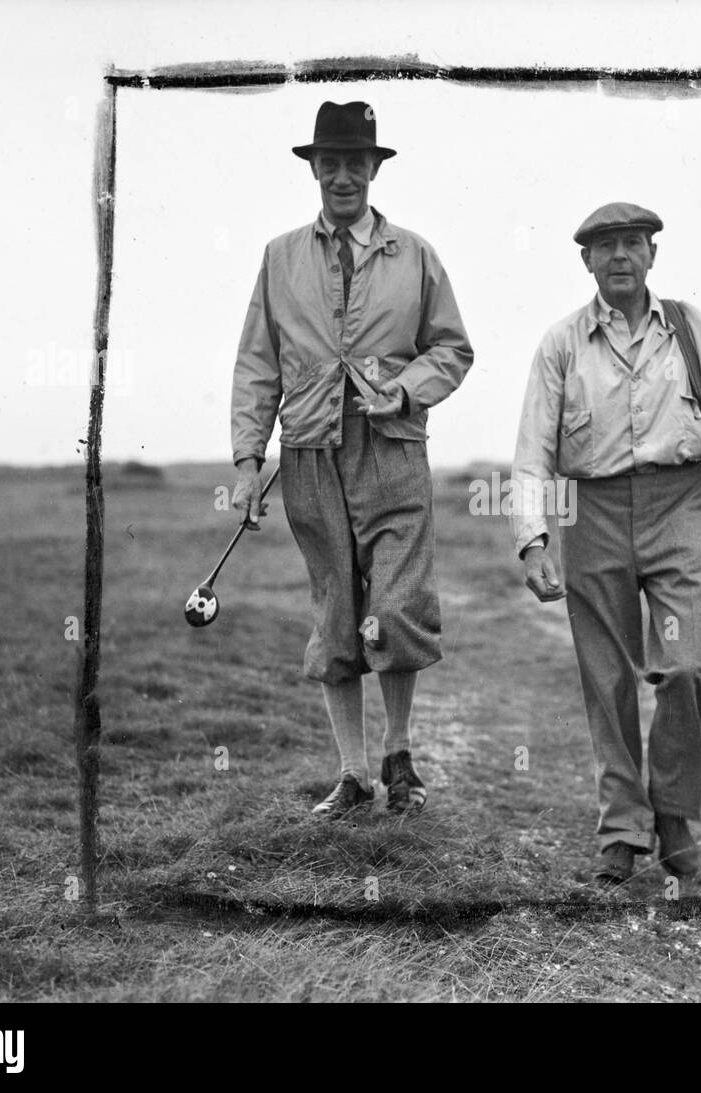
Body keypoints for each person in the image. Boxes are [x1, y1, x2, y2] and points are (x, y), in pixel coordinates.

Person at [510, 202, 701, 884]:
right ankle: (621, 830)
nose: (620, 257)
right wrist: (533, 539)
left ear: (653, 254)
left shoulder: (688, 330)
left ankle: (672, 812)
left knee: (690, 662)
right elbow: (531, 453)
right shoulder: (561, 343)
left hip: (680, 509)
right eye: (605, 247)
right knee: (607, 678)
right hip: (594, 515)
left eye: (632, 243)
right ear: (586, 261)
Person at [230, 101, 473, 819]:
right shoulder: (280, 257)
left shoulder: (416, 254)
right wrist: (248, 458)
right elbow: (256, 364)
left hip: (392, 448)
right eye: (329, 163)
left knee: (396, 605)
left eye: (354, 163)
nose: (343, 176)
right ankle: (353, 772)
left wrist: (402, 390)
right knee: (337, 610)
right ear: (314, 170)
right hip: (309, 452)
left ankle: (399, 754)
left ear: (373, 169)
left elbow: (453, 349)